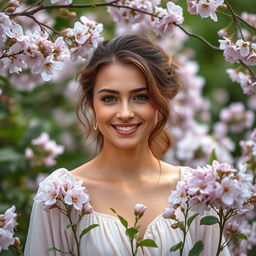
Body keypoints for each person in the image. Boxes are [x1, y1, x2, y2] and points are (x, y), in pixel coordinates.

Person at [24, 34, 230, 256]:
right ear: (92, 106)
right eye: (109, 99)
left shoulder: (194, 191)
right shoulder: (59, 194)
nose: (124, 113)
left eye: (140, 97)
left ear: (160, 102)